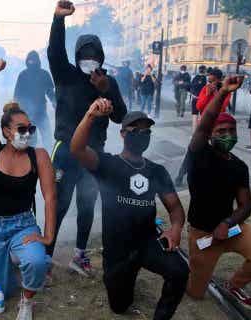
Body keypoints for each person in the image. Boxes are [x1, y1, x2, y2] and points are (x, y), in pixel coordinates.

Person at [71, 101, 189, 318]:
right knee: (119, 306)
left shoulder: (157, 171)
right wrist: (90, 115)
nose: (142, 134)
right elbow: (77, 148)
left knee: (180, 271)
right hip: (117, 249)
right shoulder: (108, 164)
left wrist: (175, 229)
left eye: (146, 131)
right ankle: (127, 278)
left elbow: (175, 208)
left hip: (148, 242)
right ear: (123, 134)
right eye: (136, 130)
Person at [46, 1, 127, 278]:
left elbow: (121, 118)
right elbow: (54, 52)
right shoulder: (65, 74)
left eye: (94, 55)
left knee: (87, 203)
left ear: (101, 57)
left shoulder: (108, 81)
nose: (89, 59)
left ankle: (79, 255)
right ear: (77, 54)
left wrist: (107, 92)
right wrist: (58, 20)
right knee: (58, 203)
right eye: (84, 54)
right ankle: (45, 258)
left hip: (94, 153)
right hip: (66, 150)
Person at [0, 59, 56, 320]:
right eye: (21, 129)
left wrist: (48, 237)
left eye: (30, 129)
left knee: (37, 262)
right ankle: (8, 265)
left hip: (23, 225)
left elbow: (50, 196)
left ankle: (27, 301)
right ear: (7, 131)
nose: (28, 133)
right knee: (0, 289)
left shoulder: (39, 155)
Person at [185, 74, 251, 311]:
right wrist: (223, 92)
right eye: (221, 130)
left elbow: (245, 206)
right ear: (210, 135)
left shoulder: (239, 166)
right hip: (203, 234)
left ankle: (233, 285)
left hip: (231, 228)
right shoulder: (199, 154)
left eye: (231, 130)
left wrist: (227, 222)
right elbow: (205, 122)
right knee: (195, 293)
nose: (227, 134)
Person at [13, 50, 56, 151]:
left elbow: (50, 93)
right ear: (27, 61)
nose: (31, 63)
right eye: (30, 61)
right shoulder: (22, 75)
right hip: (26, 115)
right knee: (28, 142)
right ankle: (27, 162)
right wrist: (16, 112)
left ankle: (50, 159)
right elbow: (17, 96)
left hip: (41, 112)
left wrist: (56, 104)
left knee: (47, 139)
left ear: (38, 61)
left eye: (33, 61)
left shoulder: (44, 74)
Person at [189, 65, 208, 133]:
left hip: (194, 98)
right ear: (205, 70)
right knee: (202, 116)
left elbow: (190, 87)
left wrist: (193, 94)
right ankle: (200, 132)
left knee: (194, 115)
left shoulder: (194, 77)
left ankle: (194, 132)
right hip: (203, 99)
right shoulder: (207, 79)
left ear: (199, 70)